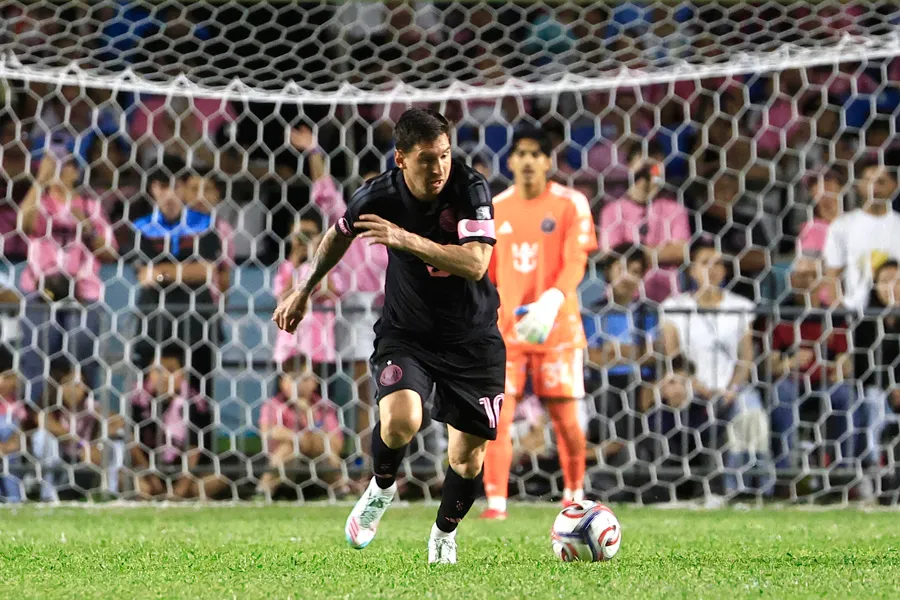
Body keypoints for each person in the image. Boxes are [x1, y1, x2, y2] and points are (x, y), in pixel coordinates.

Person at [273, 108, 502, 564]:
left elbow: (476, 263)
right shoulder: (379, 195)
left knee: (467, 459)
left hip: (472, 338)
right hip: (407, 333)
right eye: (425, 159)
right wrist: (303, 289)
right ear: (400, 158)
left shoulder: (471, 187)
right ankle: (380, 489)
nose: (438, 168)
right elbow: (339, 234)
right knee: (400, 419)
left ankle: (442, 534)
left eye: (444, 155)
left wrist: (405, 239)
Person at [479, 125, 596, 520]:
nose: (528, 161)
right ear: (510, 160)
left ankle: (574, 494)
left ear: (548, 161)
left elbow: (576, 260)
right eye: (521, 154)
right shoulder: (495, 208)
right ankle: (496, 504)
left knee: (566, 419)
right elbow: (487, 272)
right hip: (508, 330)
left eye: (536, 154)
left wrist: (552, 300)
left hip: (557, 326)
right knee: (499, 415)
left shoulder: (571, 203)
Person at [660, 238, 773, 495]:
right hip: (691, 384)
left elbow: (746, 357)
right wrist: (697, 384)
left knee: (751, 412)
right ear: (691, 270)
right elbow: (674, 356)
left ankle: (749, 489)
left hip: (730, 387)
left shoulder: (740, 307)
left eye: (718, 264)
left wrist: (733, 387)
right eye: (704, 263)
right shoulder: (674, 307)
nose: (712, 269)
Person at [18, 145, 118, 405]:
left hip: (83, 293)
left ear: (77, 170)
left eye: (68, 164)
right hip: (41, 290)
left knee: (83, 355)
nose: (62, 170)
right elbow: (23, 224)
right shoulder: (39, 202)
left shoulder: (89, 205)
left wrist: (85, 225)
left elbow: (110, 252)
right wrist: (40, 182)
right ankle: (36, 421)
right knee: (37, 356)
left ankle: (83, 421)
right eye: (55, 164)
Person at [131, 155, 221, 396]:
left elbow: (205, 272)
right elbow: (143, 275)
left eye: (175, 186)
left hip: (196, 323)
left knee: (199, 398)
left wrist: (162, 273)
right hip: (154, 322)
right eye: (162, 187)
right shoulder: (142, 226)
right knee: (147, 397)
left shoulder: (205, 223)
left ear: (183, 187)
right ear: (152, 189)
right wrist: (182, 272)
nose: (169, 194)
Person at [766, 255, 854, 471]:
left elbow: (846, 360)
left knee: (846, 394)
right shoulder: (779, 314)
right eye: (800, 275)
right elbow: (769, 365)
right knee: (782, 392)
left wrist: (839, 368)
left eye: (812, 275)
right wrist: (789, 363)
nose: (806, 281)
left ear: (823, 280)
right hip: (792, 383)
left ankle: (843, 472)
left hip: (824, 385)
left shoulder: (834, 316)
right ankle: (786, 472)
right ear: (791, 280)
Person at [582, 244, 656, 457]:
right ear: (609, 272)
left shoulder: (647, 312)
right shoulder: (593, 313)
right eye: (621, 269)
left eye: (634, 271)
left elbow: (652, 354)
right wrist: (631, 352)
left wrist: (614, 352)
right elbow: (591, 357)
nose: (626, 277)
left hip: (639, 382)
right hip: (601, 383)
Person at [598, 140, 690, 303]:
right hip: (622, 298)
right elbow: (611, 253)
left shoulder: (675, 209)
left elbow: (681, 252)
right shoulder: (612, 210)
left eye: (657, 165)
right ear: (630, 166)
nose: (651, 171)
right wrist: (660, 252)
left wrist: (636, 254)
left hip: (666, 297)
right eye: (645, 164)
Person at [128, 344, 222, 500]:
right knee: (140, 486)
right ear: (148, 374)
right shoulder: (138, 401)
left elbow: (194, 449)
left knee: (216, 480)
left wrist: (180, 490)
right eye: (157, 370)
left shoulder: (195, 403)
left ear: (184, 375)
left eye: (171, 370)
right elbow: (133, 444)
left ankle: (183, 495)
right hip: (148, 470)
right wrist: (151, 477)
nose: (164, 376)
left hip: (187, 474)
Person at [255, 361, 344, 499]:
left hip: (319, 463)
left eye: (306, 379)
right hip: (287, 465)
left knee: (327, 448)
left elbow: (338, 444)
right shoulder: (273, 405)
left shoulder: (324, 406)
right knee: (288, 447)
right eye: (294, 378)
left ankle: (342, 491)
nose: (300, 384)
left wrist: (310, 415)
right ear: (282, 382)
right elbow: (266, 433)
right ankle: (263, 492)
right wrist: (296, 438)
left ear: (315, 382)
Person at [824, 159, 900, 310]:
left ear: (895, 186)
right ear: (858, 185)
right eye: (868, 181)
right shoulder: (842, 226)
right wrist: (839, 313)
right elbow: (832, 276)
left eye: (881, 181)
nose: (874, 187)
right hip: (855, 313)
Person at [852, 259, 900, 470]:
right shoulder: (864, 322)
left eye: (898, 281)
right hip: (876, 390)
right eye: (886, 281)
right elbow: (863, 365)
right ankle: (872, 470)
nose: (892, 287)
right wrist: (891, 388)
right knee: (874, 403)